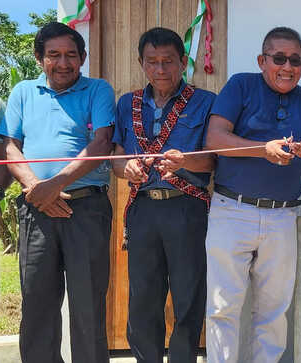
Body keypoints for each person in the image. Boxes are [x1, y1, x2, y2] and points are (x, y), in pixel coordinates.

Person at [204, 26, 301, 362]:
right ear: (262, 60)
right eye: (279, 58)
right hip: (231, 210)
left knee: (274, 312)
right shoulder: (240, 85)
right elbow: (215, 140)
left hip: (282, 216)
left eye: (296, 60)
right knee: (222, 307)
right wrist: (262, 150)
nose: (287, 66)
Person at [0, 22, 115, 363]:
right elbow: (10, 148)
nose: (63, 63)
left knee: (88, 306)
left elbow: (102, 143)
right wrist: (37, 190)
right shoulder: (22, 92)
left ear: (83, 58)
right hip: (35, 211)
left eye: (71, 55)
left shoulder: (98, 90)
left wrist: (54, 185)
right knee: (37, 305)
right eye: (54, 55)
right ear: (39, 58)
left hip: (87, 209)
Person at [111, 27, 215, 363]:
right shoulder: (127, 104)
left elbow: (215, 158)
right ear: (141, 63)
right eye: (152, 62)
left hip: (187, 209)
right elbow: (114, 155)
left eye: (168, 61)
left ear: (183, 62)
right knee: (143, 297)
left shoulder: (205, 102)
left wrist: (186, 162)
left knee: (188, 294)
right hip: (143, 211)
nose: (160, 69)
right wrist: (124, 167)